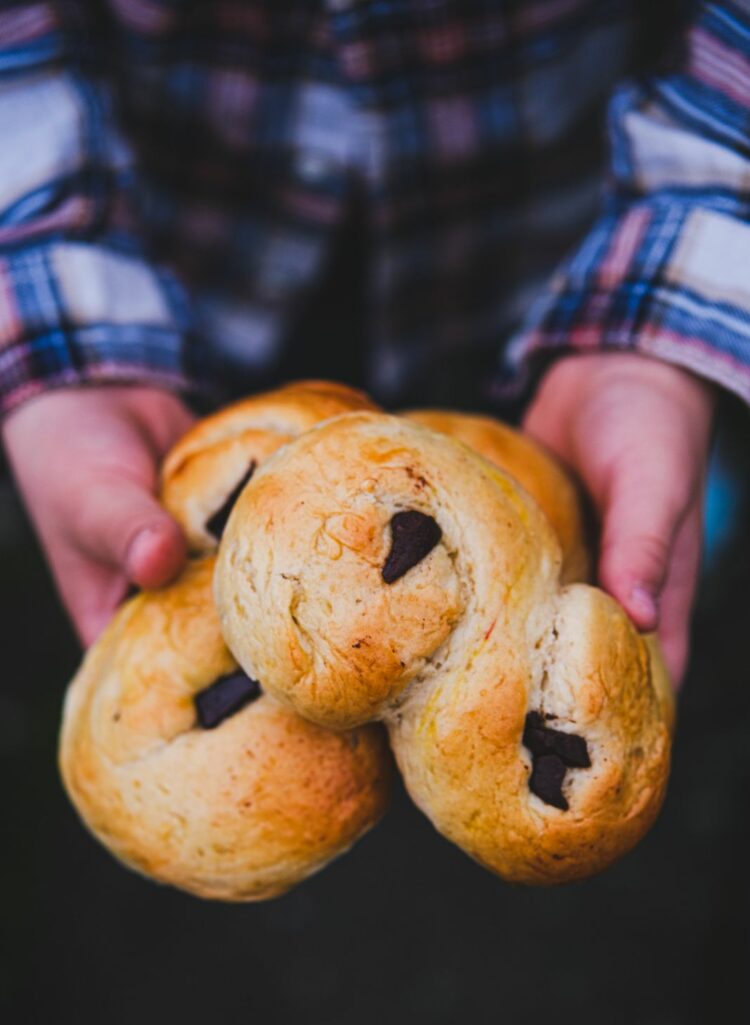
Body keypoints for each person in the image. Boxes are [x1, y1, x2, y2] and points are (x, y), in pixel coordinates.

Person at [1, 1, 744, 690]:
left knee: (606, 500)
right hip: (175, 261)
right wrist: (51, 303)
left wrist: (658, 330)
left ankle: (665, 447)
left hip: (561, 258)